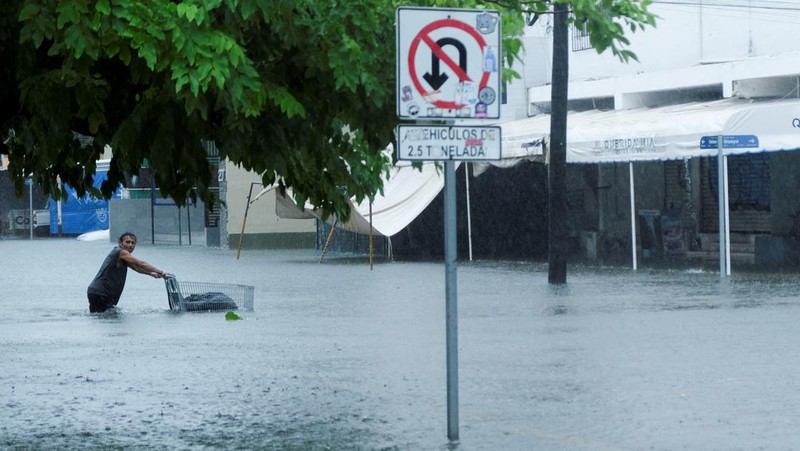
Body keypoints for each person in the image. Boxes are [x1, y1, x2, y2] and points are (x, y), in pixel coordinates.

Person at [87, 232, 168, 313]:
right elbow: (141, 263)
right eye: (127, 242)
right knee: (109, 318)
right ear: (120, 243)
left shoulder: (122, 256)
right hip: (102, 293)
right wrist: (161, 271)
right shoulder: (121, 252)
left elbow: (136, 267)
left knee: (99, 317)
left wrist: (151, 273)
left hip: (97, 291)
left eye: (133, 243)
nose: (130, 245)